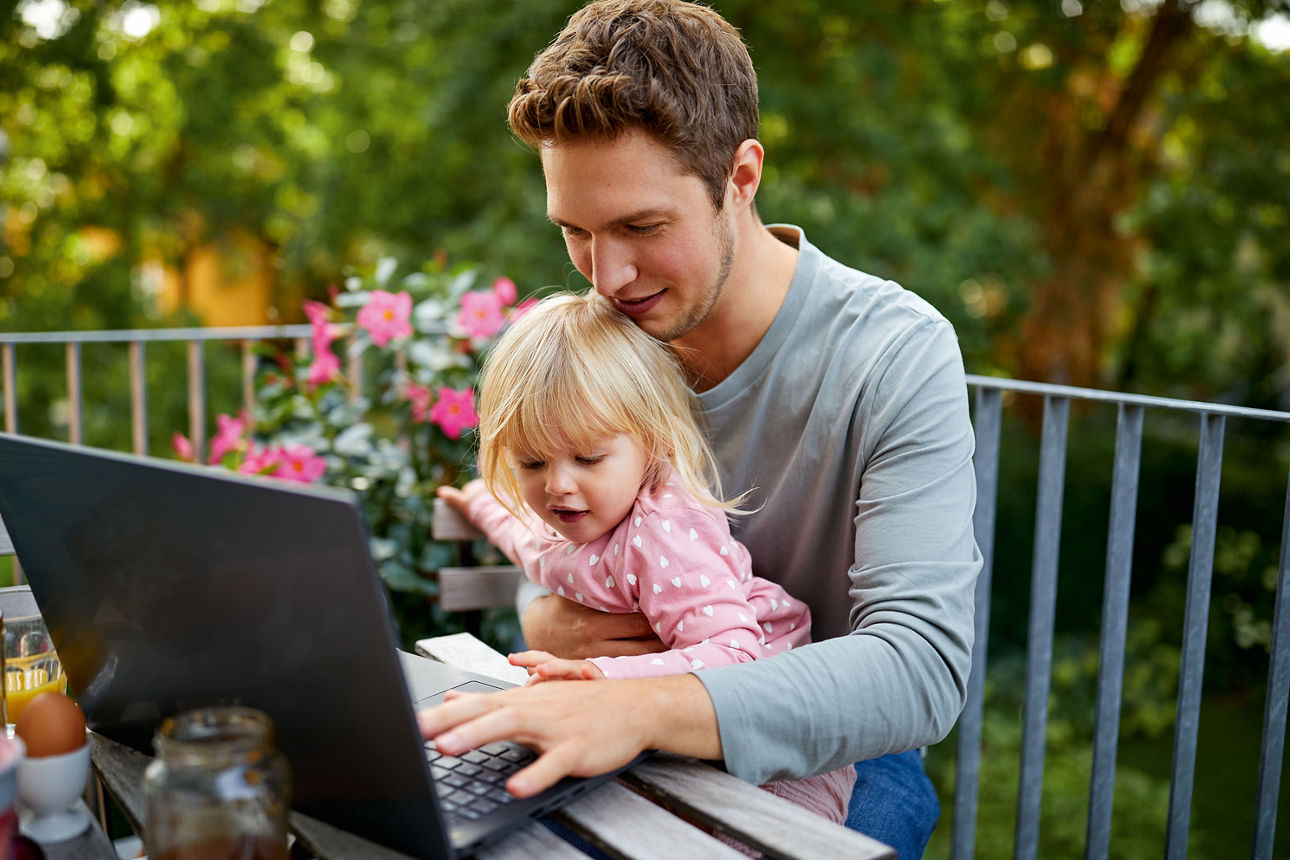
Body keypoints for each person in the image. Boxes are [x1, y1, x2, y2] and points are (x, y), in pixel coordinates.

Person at [418, 2, 981, 856]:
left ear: (742, 177)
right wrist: (550, 619)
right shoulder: (613, 337)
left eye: (642, 227)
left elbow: (920, 669)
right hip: (626, 717)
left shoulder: (895, 354)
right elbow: (565, 536)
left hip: (836, 756)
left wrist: (634, 701)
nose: (608, 276)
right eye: (576, 232)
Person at [436, 289, 857, 823]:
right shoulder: (557, 523)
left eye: (588, 457)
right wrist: (476, 502)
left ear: (651, 444)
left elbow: (736, 657)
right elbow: (516, 531)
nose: (558, 485)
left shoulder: (663, 533)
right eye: (531, 461)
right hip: (665, 728)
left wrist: (599, 675)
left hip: (784, 733)